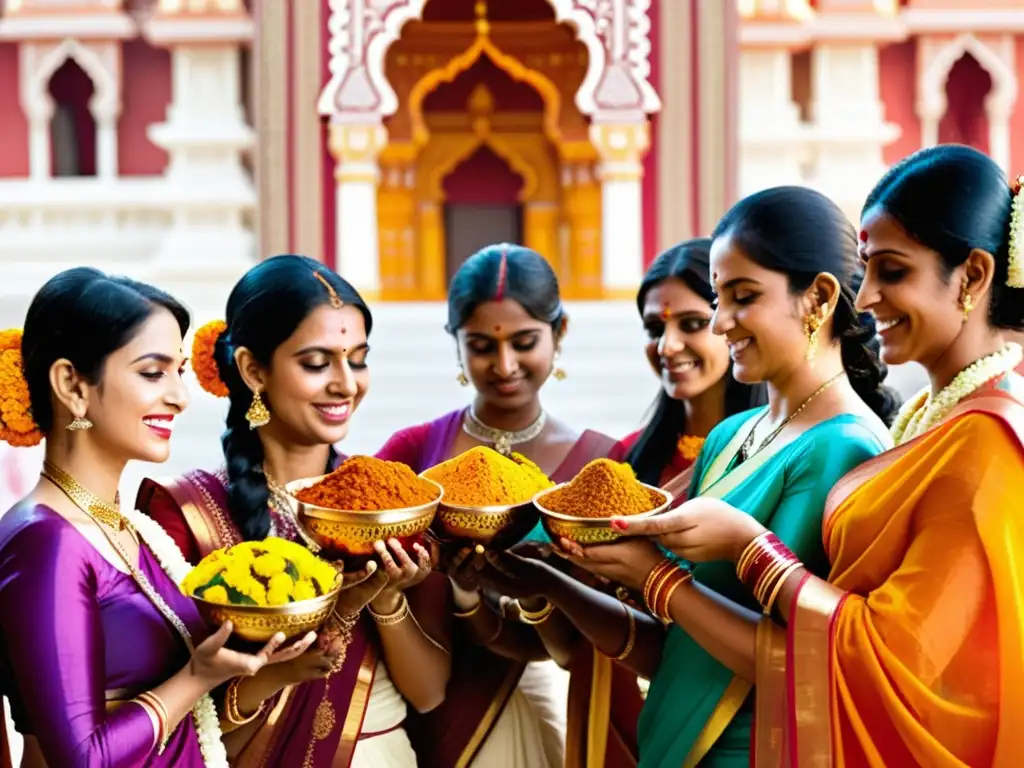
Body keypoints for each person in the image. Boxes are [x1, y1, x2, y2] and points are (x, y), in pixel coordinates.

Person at [614, 145, 1024, 765]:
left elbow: (893, 661)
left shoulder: (985, 444)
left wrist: (743, 550)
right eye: (867, 270)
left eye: (893, 271)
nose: (866, 300)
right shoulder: (931, 420)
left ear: (971, 275)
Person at [485, 186, 900, 766]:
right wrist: (552, 584)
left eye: (743, 296)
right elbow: (677, 650)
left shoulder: (844, 448)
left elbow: (803, 665)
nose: (722, 321)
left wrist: (653, 574)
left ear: (819, 297)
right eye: (718, 297)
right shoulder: (733, 435)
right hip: (670, 745)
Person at [136, 255, 450, 767]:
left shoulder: (390, 507)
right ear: (253, 369)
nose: (346, 384)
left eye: (359, 359)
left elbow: (431, 693)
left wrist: (389, 600)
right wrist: (274, 674)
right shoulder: (186, 513)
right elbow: (181, 729)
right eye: (316, 363)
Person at [475, 238, 767, 767]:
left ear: (729, 321)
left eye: (693, 324)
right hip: (609, 712)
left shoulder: (766, 466)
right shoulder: (619, 467)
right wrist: (540, 584)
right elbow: (568, 649)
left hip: (716, 721)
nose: (669, 345)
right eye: (655, 328)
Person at [0, 268, 308, 767]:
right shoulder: (45, 542)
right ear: (72, 385)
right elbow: (84, 759)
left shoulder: (127, 526)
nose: (180, 397)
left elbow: (185, 717)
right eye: (152, 372)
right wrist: (198, 677)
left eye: (179, 371)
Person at [377, 244, 616, 768]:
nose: (504, 365)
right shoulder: (414, 452)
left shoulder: (599, 465)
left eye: (525, 342)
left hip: (531, 695)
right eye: (481, 345)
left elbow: (605, 627)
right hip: (416, 707)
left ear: (561, 333)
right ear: (456, 345)